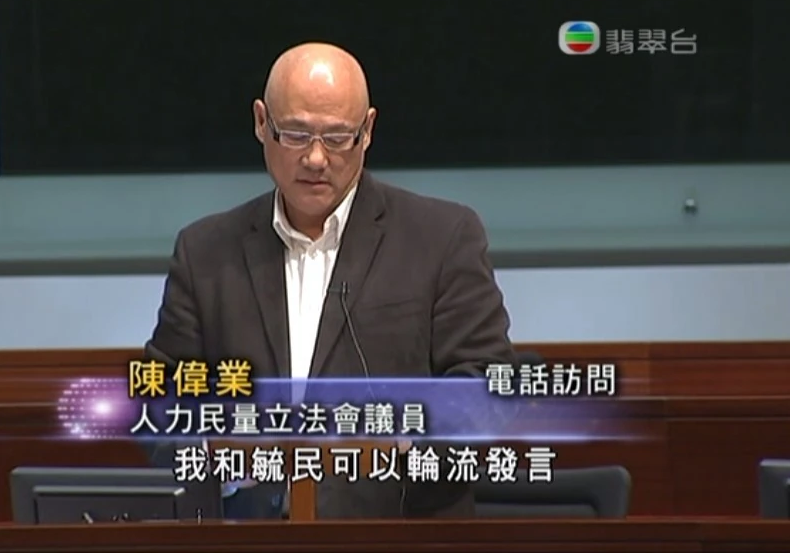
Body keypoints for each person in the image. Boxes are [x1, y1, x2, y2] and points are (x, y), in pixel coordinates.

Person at [144, 42, 515, 519]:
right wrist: (222, 450)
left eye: (338, 138)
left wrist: (397, 439)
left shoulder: (441, 237)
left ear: (368, 131)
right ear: (261, 122)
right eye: (296, 134)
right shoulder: (205, 251)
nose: (316, 158)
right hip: (248, 535)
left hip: (400, 533)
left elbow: (486, 385)